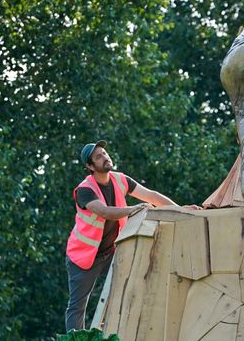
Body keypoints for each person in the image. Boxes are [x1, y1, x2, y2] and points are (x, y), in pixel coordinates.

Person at [64, 141, 177, 331]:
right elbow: (105, 211)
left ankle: (109, 336)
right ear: (90, 167)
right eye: (98, 157)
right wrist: (133, 209)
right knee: (77, 306)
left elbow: (151, 196)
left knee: (124, 292)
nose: (105, 157)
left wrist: (181, 210)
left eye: (105, 153)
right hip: (83, 257)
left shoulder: (120, 179)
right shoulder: (85, 190)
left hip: (110, 253)